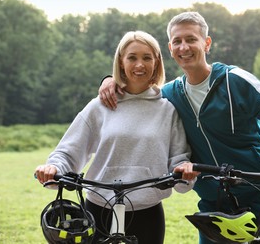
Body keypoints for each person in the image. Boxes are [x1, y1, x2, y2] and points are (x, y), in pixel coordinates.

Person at [98, 12, 260, 244]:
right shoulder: (169, 95)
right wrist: (109, 80)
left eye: (191, 39)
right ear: (170, 49)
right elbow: (135, 95)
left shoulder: (236, 81)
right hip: (213, 204)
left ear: (206, 43)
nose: (184, 47)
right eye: (177, 41)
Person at [35, 30, 197, 244]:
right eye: (132, 57)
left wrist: (184, 169)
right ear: (121, 62)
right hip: (98, 207)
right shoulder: (100, 106)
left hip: (148, 210)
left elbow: (179, 159)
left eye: (147, 58)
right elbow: (68, 151)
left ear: (157, 63)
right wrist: (53, 168)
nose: (139, 64)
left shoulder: (168, 109)